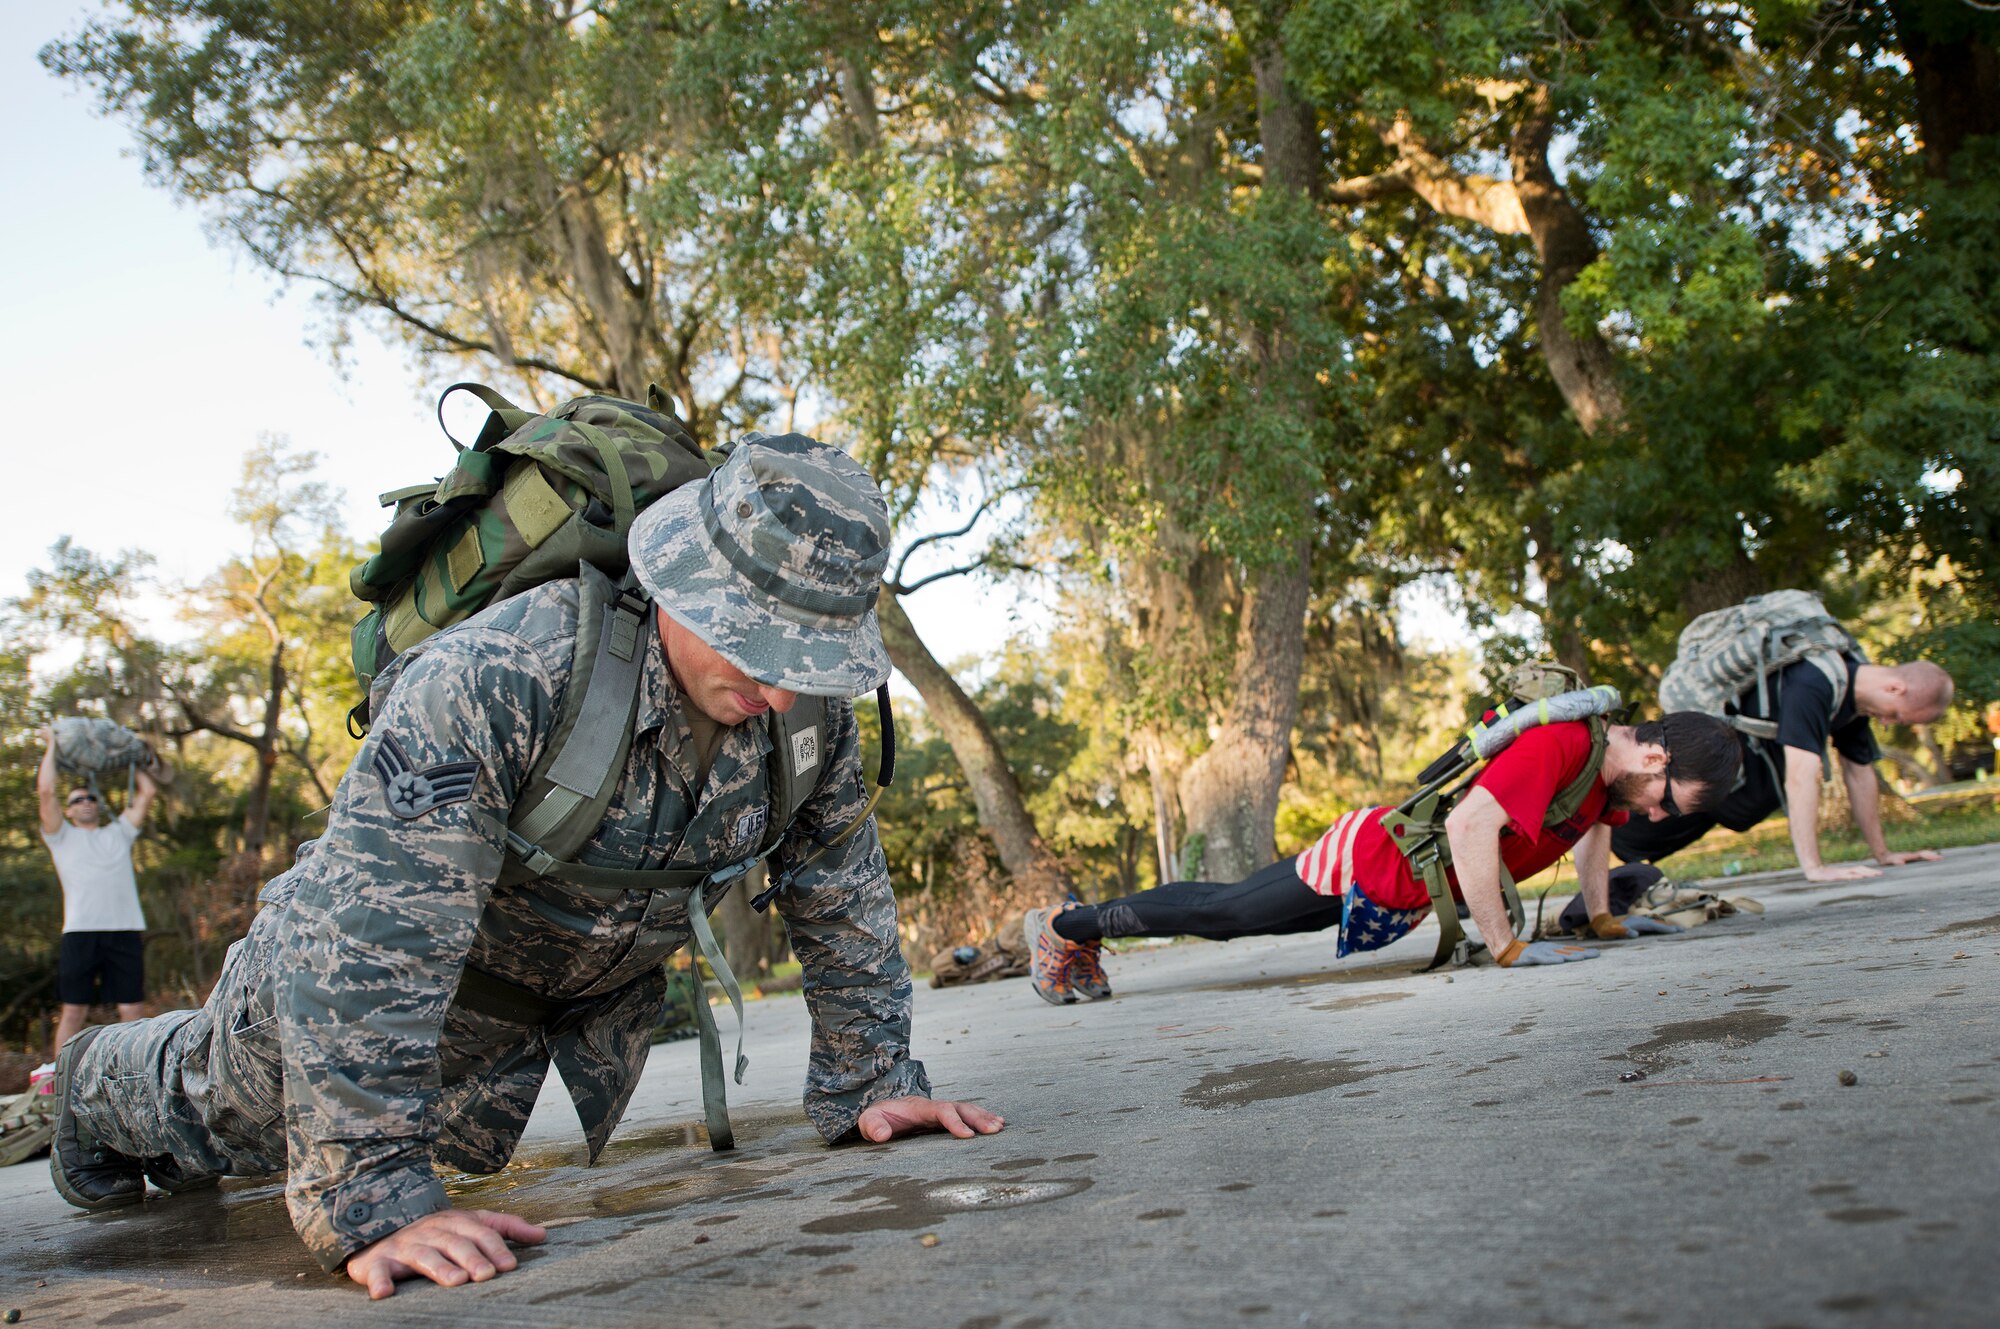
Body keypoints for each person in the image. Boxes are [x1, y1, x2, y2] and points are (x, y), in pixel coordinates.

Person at [48, 437, 1002, 1298]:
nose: (781, 684)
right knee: (215, 1109)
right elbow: (375, 929)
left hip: (507, 1023)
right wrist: (370, 1190)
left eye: (810, 653)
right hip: (341, 985)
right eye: (754, 640)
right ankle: (90, 1076)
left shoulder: (804, 720)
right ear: (679, 580)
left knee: (235, 1155)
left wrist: (874, 1079)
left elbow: (843, 892)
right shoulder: (500, 674)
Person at [1026, 712, 1744, 1003]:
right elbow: (1469, 828)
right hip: (1375, 858)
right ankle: (1067, 926)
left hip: (1403, 887)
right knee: (1226, 913)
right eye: (1671, 799)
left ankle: (1080, 926)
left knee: (1249, 916)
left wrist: (1601, 917)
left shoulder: (1604, 780)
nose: (1659, 815)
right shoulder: (1564, 746)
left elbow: (1594, 832)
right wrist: (1505, 946)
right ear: (1655, 754)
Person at [1612, 660, 1954, 882]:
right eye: (1895, 714)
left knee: (1629, 852)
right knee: (1615, 830)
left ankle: (1617, 885)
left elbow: (1859, 772)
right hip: (1696, 781)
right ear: (1895, 688)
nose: (1886, 722)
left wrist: (1883, 853)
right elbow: (1802, 773)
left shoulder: (1849, 697)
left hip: (1714, 800)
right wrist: (1814, 868)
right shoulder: (1814, 683)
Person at [36, 731, 158, 1055]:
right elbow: (46, 791)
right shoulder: (61, 837)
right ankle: (61, 1079)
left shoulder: (119, 832)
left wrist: (133, 752)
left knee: (132, 1012)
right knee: (74, 1011)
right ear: (69, 810)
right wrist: (52, 744)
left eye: (90, 798)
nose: (86, 802)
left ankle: (133, 1075)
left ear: (97, 805)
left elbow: (147, 792)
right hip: (80, 933)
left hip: (125, 931)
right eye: (77, 800)